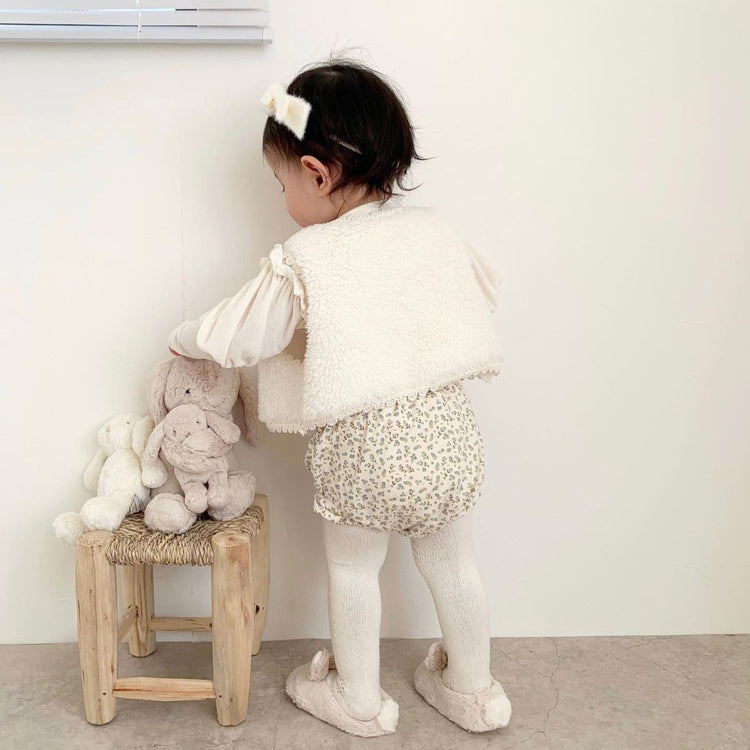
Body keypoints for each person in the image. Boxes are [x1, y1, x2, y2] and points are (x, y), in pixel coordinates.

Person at [167, 57, 512, 738]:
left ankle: (357, 698)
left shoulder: (308, 259)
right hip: (449, 441)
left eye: (281, 183)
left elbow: (235, 334)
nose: (282, 197)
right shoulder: (435, 231)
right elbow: (482, 294)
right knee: (453, 562)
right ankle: (474, 691)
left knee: (354, 567)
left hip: (364, 452)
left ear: (317, 174)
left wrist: (183, 338)